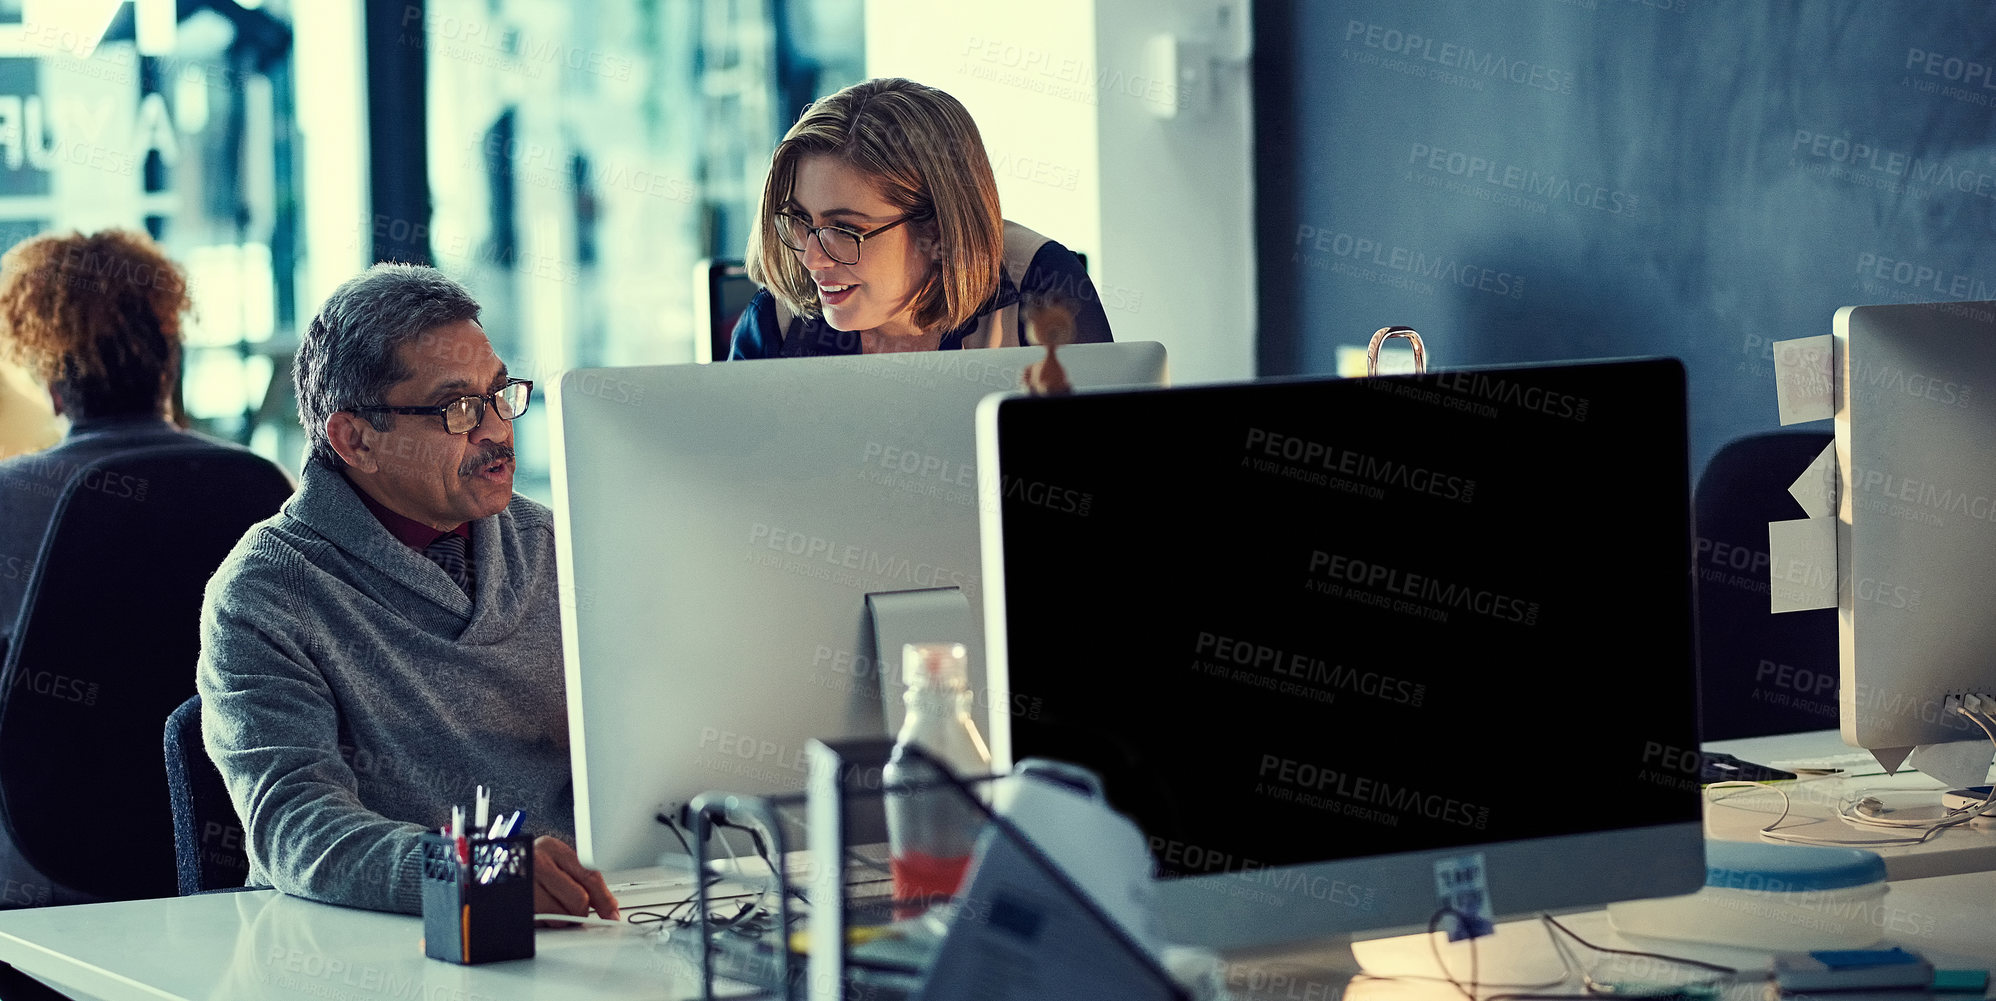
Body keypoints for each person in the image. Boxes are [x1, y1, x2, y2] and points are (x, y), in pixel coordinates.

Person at [197, 263, 618, 920]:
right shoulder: (264, 592)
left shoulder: (558, 546)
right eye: (458, 408)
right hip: (364, 951)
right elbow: (298, 829)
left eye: (500, 392)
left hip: (585, 924)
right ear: (355, 438)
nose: (497, 430)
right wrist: (484, 872)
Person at [0, 228, 285, 687]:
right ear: (169, 365)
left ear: (53, 386)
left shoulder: (10, 496)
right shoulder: (260, 485)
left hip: (54, 758)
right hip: (226, 758)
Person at [730, 77, 1114, 358]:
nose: (812, 259)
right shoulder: (778, 318)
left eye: (845, 229)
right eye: (799, 219)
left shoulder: (1043, 287)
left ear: (937, 229)